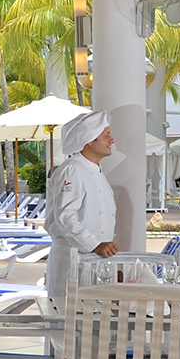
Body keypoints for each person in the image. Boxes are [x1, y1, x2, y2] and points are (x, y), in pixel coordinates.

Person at [43, 110, 120, 307]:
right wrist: (96, 244)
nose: (111, 140)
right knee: (68, 323)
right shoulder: (73, 169)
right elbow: (65, 217)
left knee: (90, 324)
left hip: (92, 261)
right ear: (88, 141)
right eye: (106, 135)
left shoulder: (94, 170)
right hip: (71, 260)